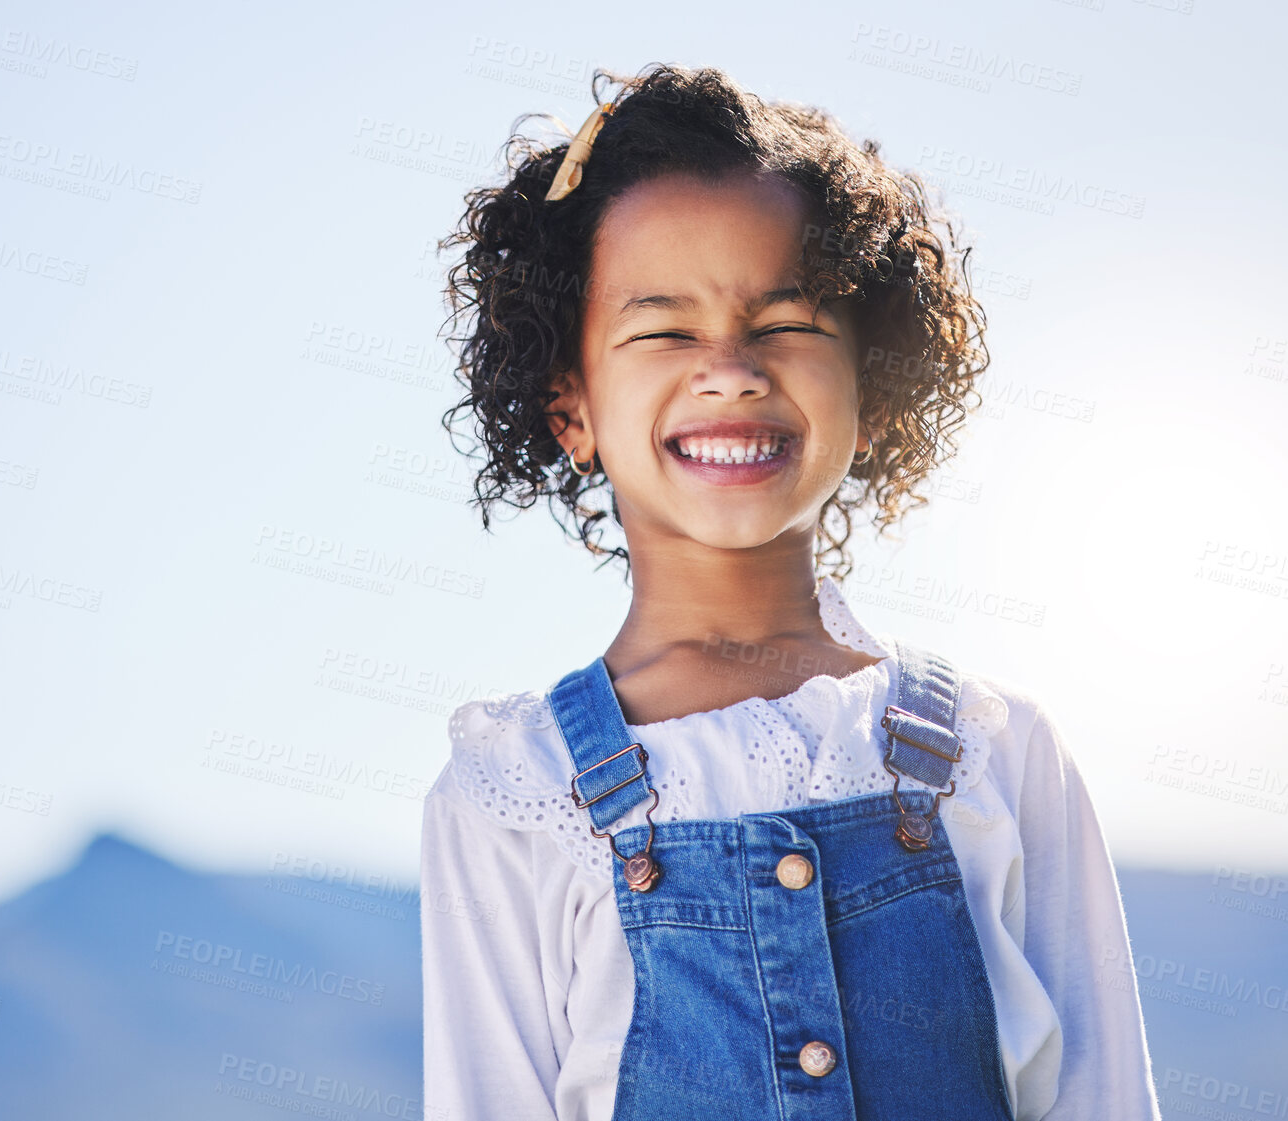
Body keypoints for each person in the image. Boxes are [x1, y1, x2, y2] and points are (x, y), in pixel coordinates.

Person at [420, 63, 1161, 1121]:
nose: (730, 367)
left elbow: (1105, 1097)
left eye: (788, 320)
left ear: (873, 382)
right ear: (570, 406)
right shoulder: (514, 795)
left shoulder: (1003, 754)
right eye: (663, 329)